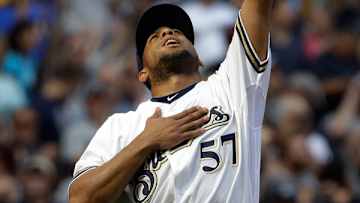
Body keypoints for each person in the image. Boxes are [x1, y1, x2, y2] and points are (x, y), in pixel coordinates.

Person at [69, 1, 273, 203]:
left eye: (177, 31)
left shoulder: (232, 85)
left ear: (199, 58)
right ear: (142, 73)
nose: (167, 33)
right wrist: (146, 141)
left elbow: (259, 7)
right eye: (154, 36)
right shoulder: (122, 126)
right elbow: (81, 197)